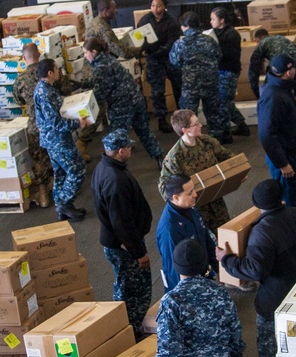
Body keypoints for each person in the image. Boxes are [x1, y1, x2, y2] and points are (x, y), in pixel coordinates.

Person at [217, 179, 296, 357]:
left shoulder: (261, 232)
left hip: (277, 301)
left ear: (256, 204)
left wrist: (227, 259)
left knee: (271, 348)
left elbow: (254, 270)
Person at [90, 129, 153, 338]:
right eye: (128, 147)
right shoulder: (115, 180)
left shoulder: (104, 167)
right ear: (119, 151)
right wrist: (138, 252)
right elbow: (122, 222)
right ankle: (131, 331)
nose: (130, 150)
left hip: (119, 242)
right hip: (124, 246)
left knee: (125, 285)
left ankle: (127, 327)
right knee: (132, 290)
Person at [83, 36, 163, 162]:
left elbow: (100, 93)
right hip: (136, 99)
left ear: (94, 52)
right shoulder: (110, 59)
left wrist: (84, 104)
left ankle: (115, 168)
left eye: (86, 53)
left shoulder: (100, 67)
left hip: (121, 106)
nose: (85, 56)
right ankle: (158, 156)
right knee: (144, 131)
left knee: (115, 139)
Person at [159, 110, 236, 231]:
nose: (201, 125)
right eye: (196, 124)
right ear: (185, 130)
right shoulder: (174, 158)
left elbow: (226, 155)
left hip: (216, 201)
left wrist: (236, 173)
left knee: (226, 233)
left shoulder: (207, 142)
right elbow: (165, 187)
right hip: (196, 209)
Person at [33, 59, 90, 223]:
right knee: (77, 169)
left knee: (60, 173)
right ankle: (64, 203)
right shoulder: (45, 93)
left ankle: (62, 206)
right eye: (56, 69)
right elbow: (55, 122)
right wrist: (77, 123)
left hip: (54, 140)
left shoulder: (46, 89)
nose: (59, 71)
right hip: (58, 140)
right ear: (50, 73)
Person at [14, 42, 66, 209]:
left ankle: (43, 194)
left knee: (38, 159)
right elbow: (65, 89)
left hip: (34, 126)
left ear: (24, 58)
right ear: (39, 55)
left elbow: (17, 100)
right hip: (53, 123)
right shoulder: (48, 72)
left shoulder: (20, 79)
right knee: (57, 155)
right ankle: (63, 188)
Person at [257, 53, 296, 211]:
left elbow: (287, 124)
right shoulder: (273, 96)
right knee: (291, 201)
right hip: (284, 158)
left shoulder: (282, 87)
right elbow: (266, 135)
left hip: (292, 152)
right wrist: (283, 164)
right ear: (288, 72)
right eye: (293, 68)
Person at [169, 13, 227, 143]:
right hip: (211, 84)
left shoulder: (180, 43)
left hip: (191, 87)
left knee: (186, 117)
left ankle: (189, 143)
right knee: (214, 114)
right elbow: (219, 56)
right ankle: (216, 142)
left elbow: (174, 62)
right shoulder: (210, 40)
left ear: (186, 26)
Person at [155, 175, 217, 289]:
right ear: (176, 197)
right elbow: (174, 269)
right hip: (188, 288)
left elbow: (205, 238)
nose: (195, 194)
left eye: (193, 189)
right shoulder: (169, 229)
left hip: (202, 274)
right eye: (190, 193)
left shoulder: (190, 208)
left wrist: (218, 268)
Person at [137, 0, 181, 133]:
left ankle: (182, 118)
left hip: (169, 58)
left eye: (159, 5)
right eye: (153, 5)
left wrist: (160, 51)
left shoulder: (172, 21)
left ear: (164, 6)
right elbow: (138, 37)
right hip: (153, 60)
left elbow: (172, 42)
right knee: (157, 91)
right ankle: (161, 120)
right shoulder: (145, 20)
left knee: (178, 87)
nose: (156, 8)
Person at [248, 30, 296, 120]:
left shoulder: (261, 44)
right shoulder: (280, 37)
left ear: (258, 39)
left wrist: (255, 90)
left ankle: (274, 110)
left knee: (271, 85)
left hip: (282, 65)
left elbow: (254, 67)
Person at [209, 6, 249, 138]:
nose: (211, 22)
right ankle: (241, 125)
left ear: (222, 20)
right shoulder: (214, 33)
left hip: (229, 71)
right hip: (220, 71)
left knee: (224, 103)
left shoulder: (231, 34)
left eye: (213, 19)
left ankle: (224, 133)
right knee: (224, 102)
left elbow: (227, 55)